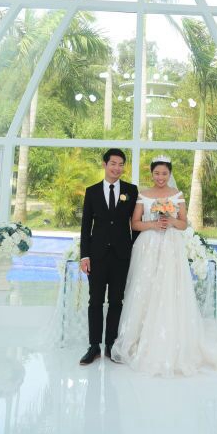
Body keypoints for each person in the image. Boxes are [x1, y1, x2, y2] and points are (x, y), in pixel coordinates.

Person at [111, 155, 217, 376]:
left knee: (169, 289)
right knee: (146, 290)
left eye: (164, 173)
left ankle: (171, 340)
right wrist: (153, 224)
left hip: (171, 247)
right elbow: (135, 223)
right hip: (148, 247)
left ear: (170, 174)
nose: (160, 177)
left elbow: (183, 223)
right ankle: (141, 339)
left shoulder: (177, 195)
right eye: (157, 173)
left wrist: (171, 221)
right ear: (151, 174)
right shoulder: (143, 194)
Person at [78, 148, 138, 365]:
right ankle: (94, 346)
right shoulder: (92, 191)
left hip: (121, 256)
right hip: (97, 255)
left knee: (116, 301)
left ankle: (111, 345)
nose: (117, 168)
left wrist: (135, 251)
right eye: (113, 163)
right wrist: (85, 256)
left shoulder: (131, 190)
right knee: (95, 300)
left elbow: (135, 224)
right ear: (105, 165)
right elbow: (86, 226)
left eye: (121, 164)